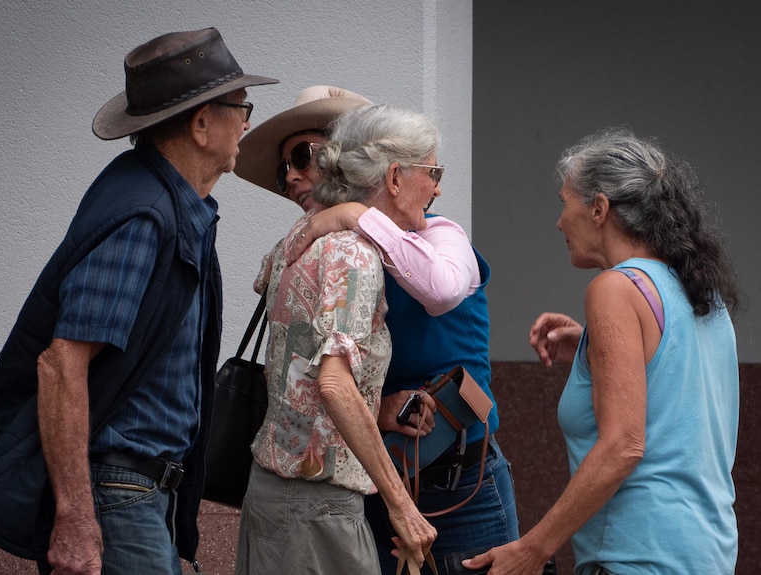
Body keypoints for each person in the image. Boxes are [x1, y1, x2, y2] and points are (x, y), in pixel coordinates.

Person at [0, 28, 278, 575]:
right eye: (241, 107)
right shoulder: (142, 216)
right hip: (119, 493)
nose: (247, 122)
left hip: (144, 494)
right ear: (201, 125)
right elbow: (60, 365)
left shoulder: (171, 206)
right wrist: (77, 519)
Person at [234, 86, 519, 575]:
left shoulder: (437, 236)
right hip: (369, 481)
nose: (297, 176)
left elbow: (441, 289)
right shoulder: (331, 249)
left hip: (457, 476)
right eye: (286, 169)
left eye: (311, 156)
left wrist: (356, 215)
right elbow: (327, 377)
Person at [465, 128, 740, 574]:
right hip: (706, 550)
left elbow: (623, 446)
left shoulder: (615, 289)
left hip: (639, 555)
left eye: (564, 202)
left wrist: (534, 548)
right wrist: (594, 347)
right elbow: (676, 389)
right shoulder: (701, 291)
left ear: (599, 208)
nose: (559, 221)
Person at [232, 102, 442, 574]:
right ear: (393, 178)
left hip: (283, 496)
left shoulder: (302, 237)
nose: (437, 186)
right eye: (431, 171)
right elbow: (333, 384)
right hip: (313, 506)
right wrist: (402, 507)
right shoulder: (353, 254)